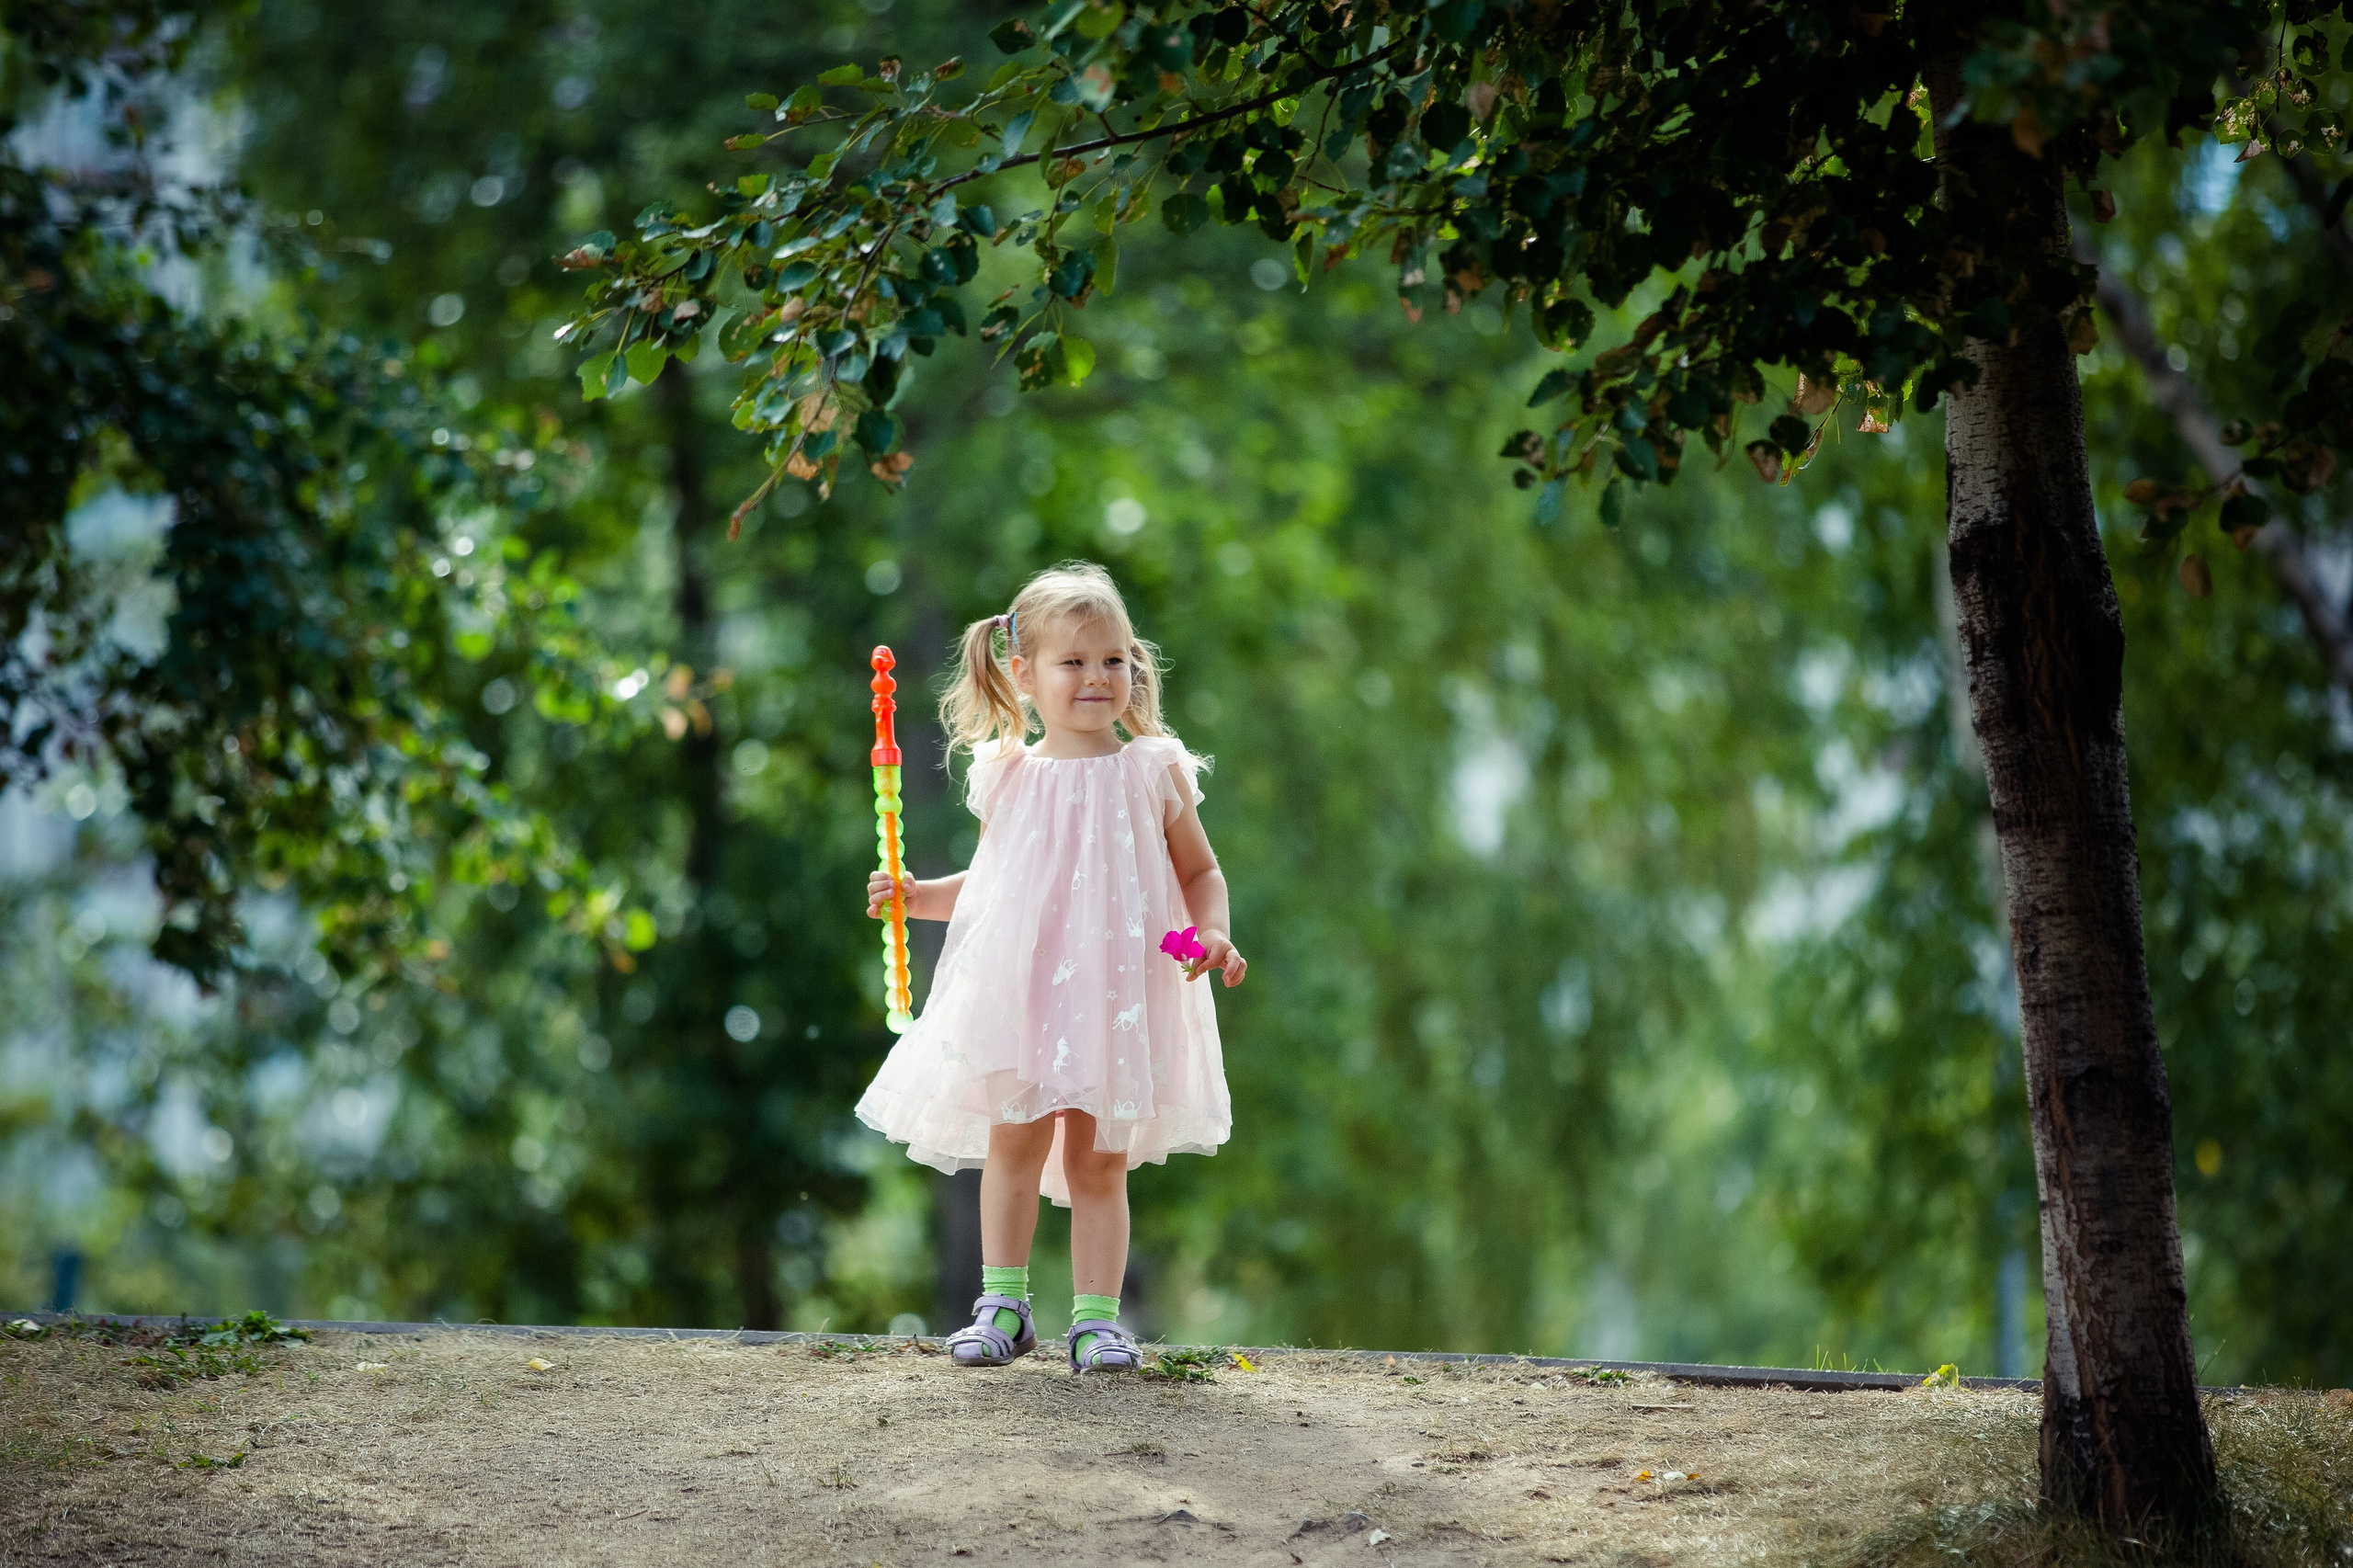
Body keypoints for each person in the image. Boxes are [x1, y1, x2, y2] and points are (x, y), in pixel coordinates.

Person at [857, 562, 1245, 1373]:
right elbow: (996, 887)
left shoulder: (1153, 768)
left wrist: (1210, 933)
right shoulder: (1011, 775)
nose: (1097, 678)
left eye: (1112, 659)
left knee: (1099, 1159)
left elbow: (1198, 875)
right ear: (1024, 675)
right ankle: (1004, 1305)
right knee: (1016, 1144)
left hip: (1119, 993)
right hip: (1026, 994)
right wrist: (918, 895)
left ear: (1134, 666)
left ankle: (1098, 1320)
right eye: (1073, 662)